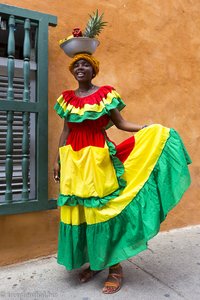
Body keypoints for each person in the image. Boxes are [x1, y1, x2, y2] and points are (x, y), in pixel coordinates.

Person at [53, 53, 191, 294]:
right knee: (82, 211)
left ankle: (115, 269)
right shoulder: (67, 100)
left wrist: (146, 128)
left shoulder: (105, 94)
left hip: (97, 159)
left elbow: (121, 123)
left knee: (102, 211)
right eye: (77, 65)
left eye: (85, 64)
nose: (80, 68)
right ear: (72, 71)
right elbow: (66, 131)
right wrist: (57, 160)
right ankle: (96, 262)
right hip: (73, 162)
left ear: (93, 70)